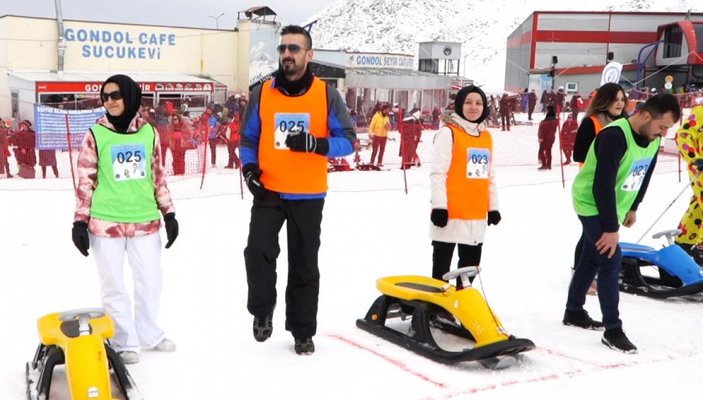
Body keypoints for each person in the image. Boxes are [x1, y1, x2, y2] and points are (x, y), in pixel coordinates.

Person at [239, 25, 356, 355]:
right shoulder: (263, 92)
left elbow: (348, 142)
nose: (287, 54)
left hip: (308, 195)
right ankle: (262, 311)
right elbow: (247, 139)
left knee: (304, 264)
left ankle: (302, 330)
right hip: (269, 192)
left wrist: (316, 144)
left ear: (309, 54)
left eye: (294, 48)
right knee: (257, 253)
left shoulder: (326, 95)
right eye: (283, 48)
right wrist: (249, 170)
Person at [71, 74, 180, 365]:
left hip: (145, 220)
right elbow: (84, 180)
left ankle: (149, 334)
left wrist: (169, 213)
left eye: (116, 94)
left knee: (151, 281)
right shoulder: (96, 134)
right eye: (105, 96)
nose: (110, 101)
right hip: (106, 223)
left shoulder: (149, 133)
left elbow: (159, 175)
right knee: (113, 285)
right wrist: (79, 222)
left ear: (130, 95)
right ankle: (124, 341)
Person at [564, 93, 681, 353]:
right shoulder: (614, 136)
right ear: (646, 115)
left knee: (591, 257)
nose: (663, 134)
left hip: (616, 205)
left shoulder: (652, 138)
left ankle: (573, 311)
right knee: (609, 258)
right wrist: (610, 229)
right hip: (591, 201)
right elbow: (601, 185)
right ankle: (613, 330)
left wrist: (633, 206)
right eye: (662, 127)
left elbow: (645, 173)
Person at [430, 85, 500, 285]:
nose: (473, 107)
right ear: (459, 105)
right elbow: (438, 173)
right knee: (441, 274)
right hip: (450, 214)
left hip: (476, 214)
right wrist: (439, 207)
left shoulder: (486, 136)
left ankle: (461, 309)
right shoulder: (448, 133)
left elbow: (489, 176)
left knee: (469, 272)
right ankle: (437, 312)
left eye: (478, 103)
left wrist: (493, 207)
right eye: (468, 102)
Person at [570, 83, 629, 294]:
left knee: (590, 234)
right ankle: (581, 274)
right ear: (604, 101)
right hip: (591, 186)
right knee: (590, 232)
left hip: (615, 185)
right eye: (615, 100)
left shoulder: (626, 124)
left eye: (622, 99)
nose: (620, 104)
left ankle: (581, 275)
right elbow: (578, 154)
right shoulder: (592, 122)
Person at [674, 105, 703, 264]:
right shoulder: (700, 112)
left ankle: (685, 242)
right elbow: (683, 135)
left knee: (698, 205)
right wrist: (693, 158)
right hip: (701, 169)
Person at [537, 106, 558, 170]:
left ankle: (544, 164)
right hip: (551, 138)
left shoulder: (546, 122)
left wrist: (541, 137)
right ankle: (549, 165)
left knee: (542, 151)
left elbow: (544, 130)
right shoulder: (554, 121)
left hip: (545, 138)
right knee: (548, 151)